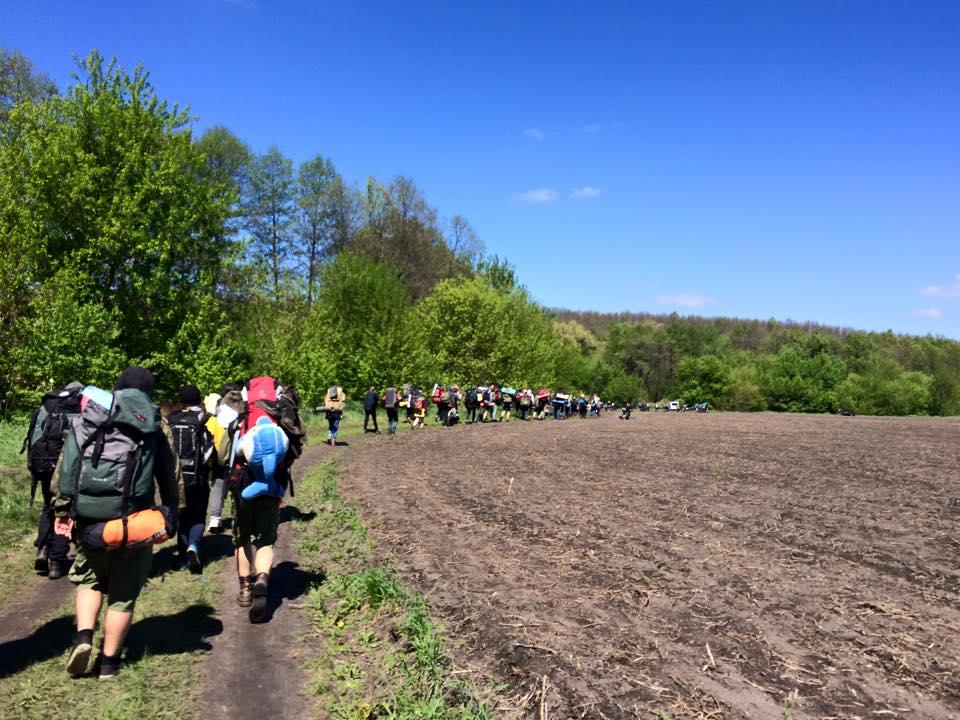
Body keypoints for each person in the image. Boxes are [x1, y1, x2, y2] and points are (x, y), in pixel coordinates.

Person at [57, 367, 178, 679]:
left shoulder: (90, 416)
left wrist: (62, 509)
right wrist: (172, 509)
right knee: (123, 595)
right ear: (149, 393)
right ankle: (109, 663)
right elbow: (169, 471)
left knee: (89, 580)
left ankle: (84, 637)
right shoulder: (153, 422)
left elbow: (67, 466)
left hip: (88, 519)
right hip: (133, 518)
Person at [23, 381, 83, 579]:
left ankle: (43, 549)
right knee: (64, 511)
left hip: (41, 463)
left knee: (48, 507)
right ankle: (57, 561)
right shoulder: (78, 408)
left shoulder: (46, 405)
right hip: (63, 468)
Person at [167, 385, 215, 574]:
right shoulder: (206, 420)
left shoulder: (171, 420)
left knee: (182, 517)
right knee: (197, 514)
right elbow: (212, 450)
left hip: (175, 478)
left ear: (182, 401)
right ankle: (193, 547)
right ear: (199, 400)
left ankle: (181, 559)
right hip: (198, 477)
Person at [207, 384, 243, 534]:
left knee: (218, 485)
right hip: (237, 453)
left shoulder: (217, 412)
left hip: (218, 453)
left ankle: (215, 519)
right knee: (238, 483)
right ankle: (239, 516)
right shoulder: (242, 412)